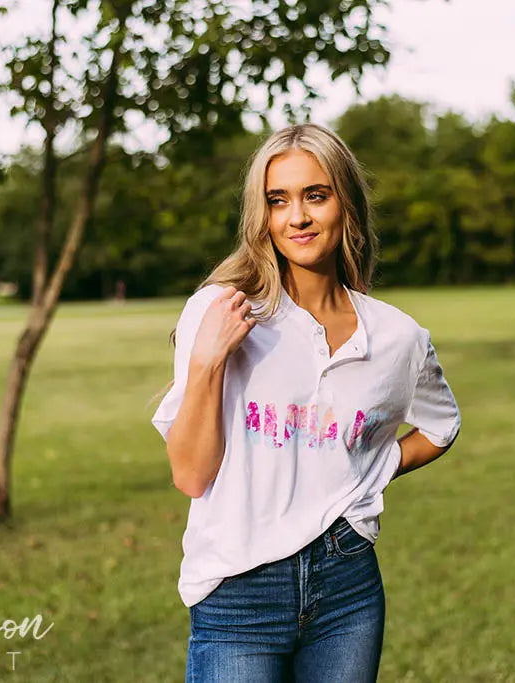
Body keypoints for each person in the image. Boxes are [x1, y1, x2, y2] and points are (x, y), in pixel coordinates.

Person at [150, 123, 461, 682]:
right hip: (238, 592)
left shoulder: (398, 336)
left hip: (347, 589)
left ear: (347, 204)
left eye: (315, 195)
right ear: (262, 215)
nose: (297, 217)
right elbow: (191, 475)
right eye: (278, 200)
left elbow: (441, 426)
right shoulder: (223, 310)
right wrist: (208, 361)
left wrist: (377, 466)